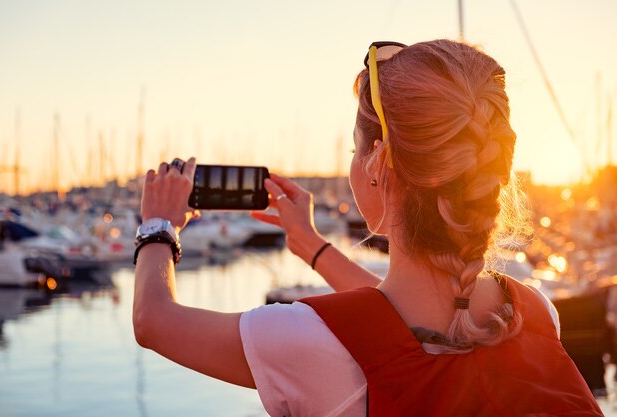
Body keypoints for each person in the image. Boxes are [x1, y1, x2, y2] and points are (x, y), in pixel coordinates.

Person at [133, 39, 603, 416]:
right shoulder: (535, 314)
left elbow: (153, 322)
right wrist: (313, 247)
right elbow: (393, 325)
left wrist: (159, 223)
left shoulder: (307, 342)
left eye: (356, 149)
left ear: (379, 162)